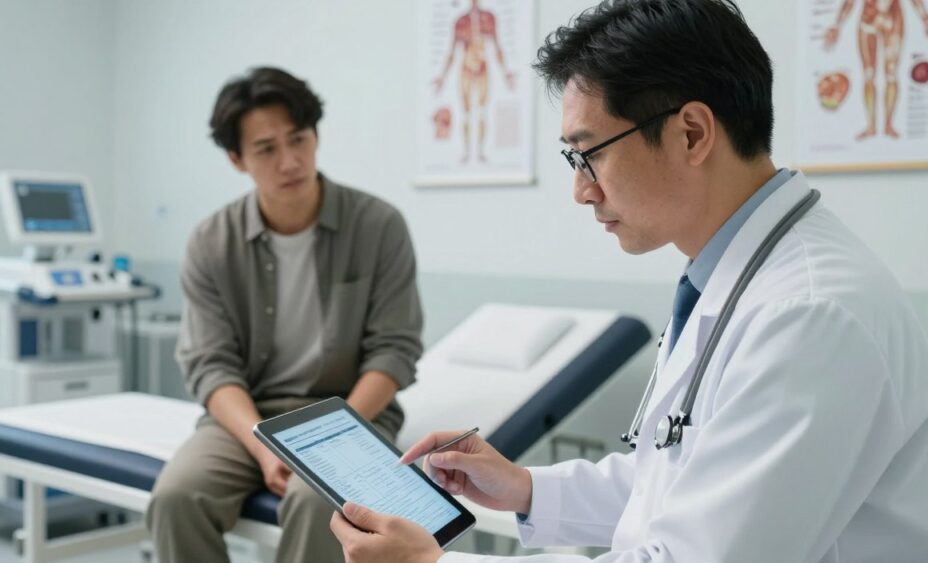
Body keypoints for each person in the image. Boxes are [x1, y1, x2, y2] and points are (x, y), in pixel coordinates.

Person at [329, 1, 928, 561]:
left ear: (691, 133)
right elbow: (678, 477)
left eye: (589, 153)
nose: (581, 189)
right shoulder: (731, 277)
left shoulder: (808, 315)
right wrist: (523, 487)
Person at [145, 67, 424, 563]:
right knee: (176, 497)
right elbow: (211, 365)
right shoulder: (212, 242)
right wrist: (261, 446)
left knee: (319, 502)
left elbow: (394, 350)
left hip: (350, 414)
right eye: (266, 149)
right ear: (236, 159)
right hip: (250, 418)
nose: (290, 161)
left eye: (298, 139)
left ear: (315, 134)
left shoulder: (378, 225)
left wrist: (327, 439)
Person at [823, 0, 928, 139]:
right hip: (868, 19)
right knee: (869, 74)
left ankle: (888, 124)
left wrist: (924, 17)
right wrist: (837, 25)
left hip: (892, 18)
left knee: (891, 73)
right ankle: (871, 126)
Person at [433, 0, 517, 163]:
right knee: (466, 113)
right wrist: (442, 77)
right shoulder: (461, 21)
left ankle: (479, 152)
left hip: (482, 67)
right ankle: (466, 152)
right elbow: (452, 51)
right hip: (466, 68)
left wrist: (506, 72)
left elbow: (497, 45)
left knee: (482, 112)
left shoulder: (489, 17)